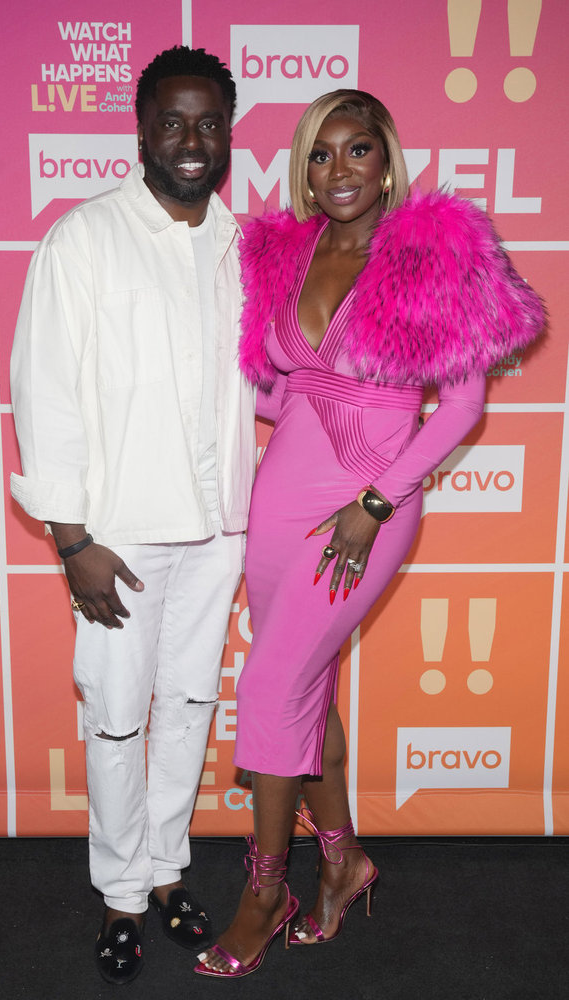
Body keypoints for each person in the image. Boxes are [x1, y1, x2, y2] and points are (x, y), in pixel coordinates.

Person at [195, 89, 544, 978]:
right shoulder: (288, 252)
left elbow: (459, 406)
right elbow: (284, 388)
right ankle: (342, 859)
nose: (338, 170)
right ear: (303, 171)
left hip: (366, 504)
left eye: (356, 150)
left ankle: (265, 890)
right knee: (303, 689)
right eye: (319, 154)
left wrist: (377, 502)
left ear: (386, 161)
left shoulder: (432, 252)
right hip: (280, 497)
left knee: (269, 684)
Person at [10, 46, 256, 986]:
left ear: (227, 133)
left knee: (188, 708)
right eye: (172, 121)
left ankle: (163, 872)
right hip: (118, 535)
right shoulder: (83, 238)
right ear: (141, 129)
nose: (191, 140)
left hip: (219, 528)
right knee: (116, 718)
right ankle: (120, 894)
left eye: (209, 123)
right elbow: (44, 392)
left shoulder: (241, 245)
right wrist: (71, 538)